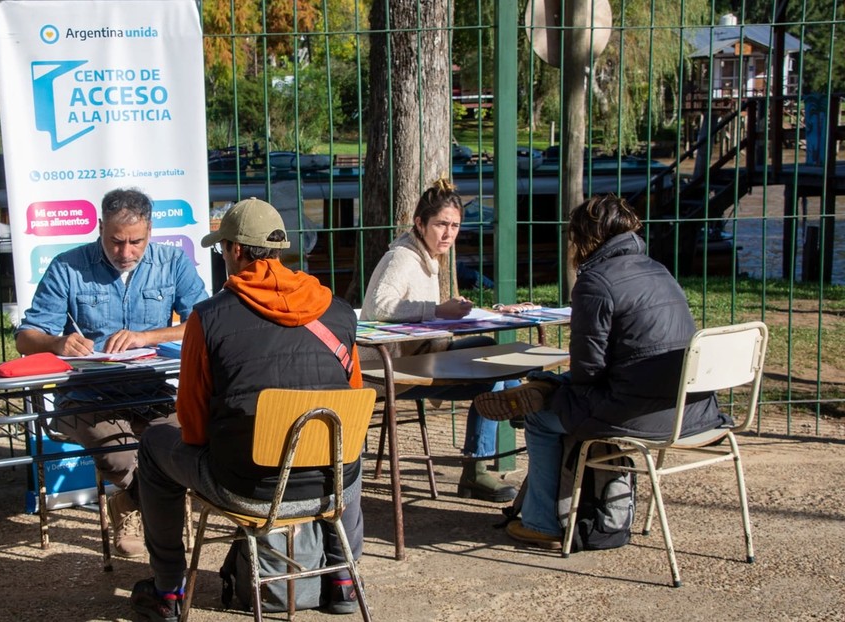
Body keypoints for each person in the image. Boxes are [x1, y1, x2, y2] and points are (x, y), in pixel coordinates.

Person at [129, 197, 366, 621]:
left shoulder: (208, 317)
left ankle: (167, 590)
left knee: (153, 444)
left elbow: (194, 424)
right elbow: (351, 402)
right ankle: (345, 579)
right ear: (278, 250)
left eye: (221, 249)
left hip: (247, 487)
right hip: (327, 486)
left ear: (236, 251)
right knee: (346, 448)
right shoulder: (340, 311)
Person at [473, 194, 730, 548]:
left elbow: (587, 370)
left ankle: (542, 523)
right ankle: (545, 389)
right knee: (565, 396)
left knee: (542, 419)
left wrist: (566, 383)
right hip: (692, 411)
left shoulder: (595, 282)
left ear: (584, 237)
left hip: (634, 414)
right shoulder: (659, 269)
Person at [15, 187, 208, 558]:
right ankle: (146, 522)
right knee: (119, 458)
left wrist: (148, 336)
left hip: (151, 392)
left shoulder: (173, 262)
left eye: (136, 242)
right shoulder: (68, 266)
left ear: (151, 231)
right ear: (100, 227)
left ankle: (129, 506)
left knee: (181, 451)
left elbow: (203, 322)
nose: (126, 252)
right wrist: (58, 343)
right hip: (86, 395)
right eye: (116, 241)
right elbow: (26, 338)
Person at [360, 177, 518, 503]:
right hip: (397, 369)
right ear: (420, 223)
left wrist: (495, 311)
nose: (448, 234)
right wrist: (435, 309)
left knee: (494, 358)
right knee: (492, 365)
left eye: (455, 226)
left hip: (424, 357)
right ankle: (493, 447)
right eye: (440, 225)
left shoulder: (428, 257)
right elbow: (378, 306)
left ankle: (513, 415)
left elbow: (432, 314)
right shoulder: (402, 257)